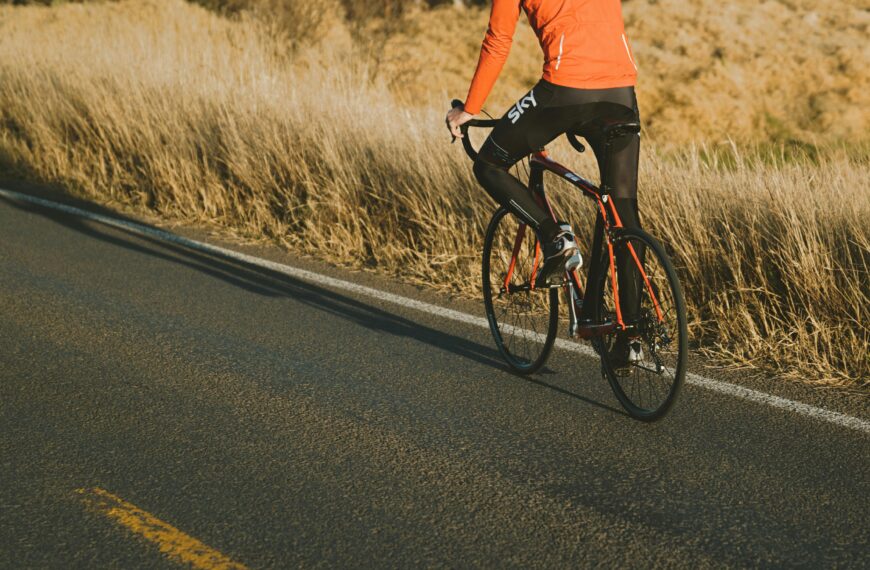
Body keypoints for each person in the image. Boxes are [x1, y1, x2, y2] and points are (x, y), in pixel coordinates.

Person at [445, 0, 644, 369]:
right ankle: (631, 334)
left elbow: (498, 40)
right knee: (623, 208)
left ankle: (555, 236)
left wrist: (470, 108)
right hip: (621, 90)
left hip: (564, 90)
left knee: (489, 165)